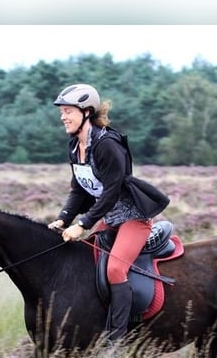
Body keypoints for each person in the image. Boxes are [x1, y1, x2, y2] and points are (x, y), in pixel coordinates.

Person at [47, 83, 170, 343]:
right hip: (109, 218)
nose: (63, 117)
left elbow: (111, 192)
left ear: (87, 112)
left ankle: (117, 337)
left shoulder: (107, 145)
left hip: (133, 218)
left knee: (115, 269)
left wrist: (83, 224)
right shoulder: (74, 145)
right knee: (86, 262)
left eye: (68, 111)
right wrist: (63, 218)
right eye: (62, 112)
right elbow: (79, 190)